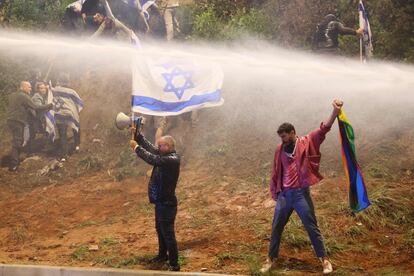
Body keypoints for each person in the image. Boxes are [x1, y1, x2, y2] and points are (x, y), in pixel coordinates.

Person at [260, 99, 344, 274]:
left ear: (292, 133)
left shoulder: (307, 141)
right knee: (276, 227)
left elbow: (323, 129)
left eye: (284, 136)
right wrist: (275, 190)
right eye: (280, 137)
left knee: (311, 226)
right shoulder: (279, 149)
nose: (282, 140)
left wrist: (335, 112)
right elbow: (276, 170)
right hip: (284, 195)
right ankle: (270, 259)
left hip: (300, 194)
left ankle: (325, 260)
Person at [129, 129, 181, 272]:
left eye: (162, 145)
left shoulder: (172, 159)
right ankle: (162, 255)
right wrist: (138, 135)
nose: (159, 147)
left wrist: (136, 148)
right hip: (161, 202)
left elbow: (152, 158)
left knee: (168, 233)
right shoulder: (164, 154)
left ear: (170, 146)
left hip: (167, 203)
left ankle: (174, 264)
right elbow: (151, 148)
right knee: (160, 229)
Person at [6, 81, 53, 171]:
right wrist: (48, 105)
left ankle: (15, 162)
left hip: (11, 120)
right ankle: (13, 166)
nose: (30, 89)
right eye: (29, 87)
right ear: (22, 87)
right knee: (17, 142)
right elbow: (35, 107)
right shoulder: (23, 96)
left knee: (18, 140)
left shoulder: (12, 95)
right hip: (18, 121)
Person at [54, 74, 82, 162]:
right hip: (70, 113)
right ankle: (77, 145)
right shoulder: (71, 91)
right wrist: (76, 110)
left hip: (59, 114)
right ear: (67, 81)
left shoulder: (54, 90)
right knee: (76, 127)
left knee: (62, 135)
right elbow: (79, 102)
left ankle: (63, 156)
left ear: (59, 81)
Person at [27, 82, 49, 154]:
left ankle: (40, 148)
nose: (44, 90)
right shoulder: (37, 97)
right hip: (33, 119)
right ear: (37, 89)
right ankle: (30, 152)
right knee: (32, 135)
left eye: (44, 88)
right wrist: (48, 106)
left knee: (41, 132)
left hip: (37, 118)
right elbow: (38, 108)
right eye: (41, 88)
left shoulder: (42, 96)